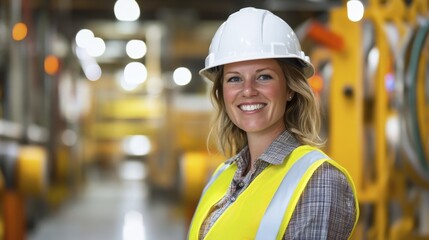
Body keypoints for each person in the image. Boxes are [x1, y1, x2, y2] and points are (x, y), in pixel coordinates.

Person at [187, 7, 359, 240]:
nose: (248, 90)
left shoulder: (319, 180)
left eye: (263, 76)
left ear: (289, 88)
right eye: (234, 79)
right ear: (222, 93)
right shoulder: (222, 175)